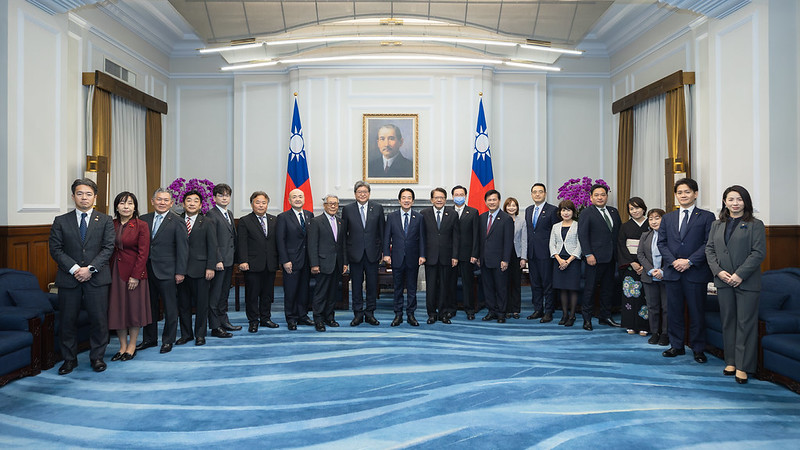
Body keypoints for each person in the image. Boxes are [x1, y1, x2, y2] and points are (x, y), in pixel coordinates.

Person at [49, 178, 115, 374]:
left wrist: (90, 269)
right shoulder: (61, 221)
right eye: (80, 193)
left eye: (88, 194)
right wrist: (75, 268)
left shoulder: (105, 220)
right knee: (67, 321)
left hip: (97, 278)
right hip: (69, 278)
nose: (84, 197)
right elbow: (55, 249)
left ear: (95, 197)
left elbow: (108, 248)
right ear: (73, 196)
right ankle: (69, 360)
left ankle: (97, 358)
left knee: (99, 320)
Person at [705, 185, 766, 384]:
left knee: (745, 323)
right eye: (731, 199)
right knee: (728, 320)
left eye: (739, 199)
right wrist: (718, 271)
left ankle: (743, 366)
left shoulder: (755, 224)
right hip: (723, 281)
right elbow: (709, 250)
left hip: (746, 282)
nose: (735, 203)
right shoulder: (717, 224)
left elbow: (758, 253)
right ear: (725, 202)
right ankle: (730, 361)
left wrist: (740, 274)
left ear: (745, 202)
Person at [658, 178, 715, 363]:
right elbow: (662, 243)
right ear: (676, 195)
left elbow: (708, 243)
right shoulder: (668, 218)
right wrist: (674, 262)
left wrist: (689, 261)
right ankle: (676, 345)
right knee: (674, 311)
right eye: (680, 192)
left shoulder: (707, 217)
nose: (683, 195)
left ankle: (698, 349)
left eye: (687, 192)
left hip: (695, 272)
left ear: (695, 194)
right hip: (673, 272)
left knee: (697, 312)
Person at [138, 188, 188, 354]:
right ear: (152, 201)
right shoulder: (143, 219)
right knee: (149, 307)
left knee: (170, 307)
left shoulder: (177, 221)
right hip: (147, 270)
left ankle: (168, 340)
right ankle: (149, 339)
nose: (162, 202)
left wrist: (180, 271)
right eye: (159, 199)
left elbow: (183, 249)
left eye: (166, 200)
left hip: (168, 271)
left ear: (171, 203)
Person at [108, 192, 151, 362]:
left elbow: (143, 253)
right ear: (116, 207)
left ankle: (132, 346)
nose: (126, 207)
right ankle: (122, 346)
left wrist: (136, 275)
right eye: (122, 203)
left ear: (135, 207)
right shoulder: (110, 224)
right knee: (117, 309)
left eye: (130, 203)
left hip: (134, 273)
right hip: (114, 272)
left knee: (133, 310)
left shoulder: (141, 225)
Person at [577, 183, 622, 331]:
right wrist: (588, 254)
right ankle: (587, 319)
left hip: (611, 258)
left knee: (608, 289)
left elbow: (618, 234)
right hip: (594, 259)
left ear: (607, 196)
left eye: (603, 194)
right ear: (591, 197)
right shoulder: (586, 213)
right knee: (590, 290)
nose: (600, 197)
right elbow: (583, 235)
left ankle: (605, 316)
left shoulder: (614, 212)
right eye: (596, 195)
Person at [177, 190, 217, 346]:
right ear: (183, 203)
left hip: (201, 269)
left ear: (200, 205)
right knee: (183, 305)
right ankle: (186, 334)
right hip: (180, 270)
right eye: (189, 200)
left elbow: (212, 246)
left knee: (202, 304)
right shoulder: (176, 220)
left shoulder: (207, 222)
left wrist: (210, 267)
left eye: (195, 201)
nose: (192, 203)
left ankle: (200, 334)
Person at [342, 181, 385, 326]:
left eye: (365, 192)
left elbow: (382, 232)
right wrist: (345, 257)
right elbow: (344, 235)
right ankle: (358, 314)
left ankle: (370, 313)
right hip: (355, 254)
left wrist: (383, 252)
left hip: (373, 253)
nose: (362, 194)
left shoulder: (377, 208)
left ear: (369, 193)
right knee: (356, 285)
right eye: (359, 192)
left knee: (372, 285)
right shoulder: (347, 209)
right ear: (355, 194)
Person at [236, 191, 280, 333]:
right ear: (252, 204)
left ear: (267, 204)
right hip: (252, 264)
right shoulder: (245, 221)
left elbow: (277, 242)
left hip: (270, 263)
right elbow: (241, 242)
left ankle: (265, 318)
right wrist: (243, 261)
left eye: (264, 203)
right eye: (258, 202)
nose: (261, 205)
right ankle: (253, 321)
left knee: (267, 294)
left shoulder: (274, 220)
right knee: (252, 295)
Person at [383, 188, 426, 327]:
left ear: (413, 201)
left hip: (413, 258)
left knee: (412, 288)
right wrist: (386, 254)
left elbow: (422, 238)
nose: (406, 200)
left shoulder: (419, 217)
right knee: (398, 288)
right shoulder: (392, 217)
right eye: (403, 197)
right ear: (399, 200)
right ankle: (398, 314)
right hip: (397, 258)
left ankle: (411, 314)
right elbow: (386, 237)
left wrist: (422, 255)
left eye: (409, 198)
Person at [276, 188, 315, 330]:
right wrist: (285, 260)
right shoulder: (283, 217)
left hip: (306, 260)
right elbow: (280, 240)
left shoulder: (309, 215)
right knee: (291, 291)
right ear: (289, 200)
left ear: (304, 199)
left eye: (300, 196)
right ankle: (291, 318)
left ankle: (303, 316)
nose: (298, 199)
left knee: (304, 290)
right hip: (291, 261)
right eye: (294, 197)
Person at [308, 195, 348, 332]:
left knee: (332, 293)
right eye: (330, 203)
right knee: (321, 293)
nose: (333, 206)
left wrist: (345, 262)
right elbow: (312, 244)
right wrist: (314, 264)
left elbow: (343, 244)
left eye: (335, 204)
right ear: (324, 205)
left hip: (337, 264)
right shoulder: (316, 221)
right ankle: (318, 319)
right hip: (322, 263)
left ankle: (329, 317)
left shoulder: (341, 222)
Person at [206, 183, 240, 338]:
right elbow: (212, 240)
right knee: (215, 295)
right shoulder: (211, 214)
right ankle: (215, 327)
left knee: (224, 294)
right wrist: (217, 259)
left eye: (227, 195)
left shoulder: (229, 213)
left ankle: (223, 321)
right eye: (221, 195)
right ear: (214, 198)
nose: (224, 198)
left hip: (229, 260)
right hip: (219, 262)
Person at [421, 187, 459, 324]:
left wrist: (455, 256)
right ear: (431, 200)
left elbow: (456, 237)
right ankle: (431, 314)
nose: (439, 200)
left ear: (445, 199)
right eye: (436, 197)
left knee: (445, 286)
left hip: (447, 257)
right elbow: (422, 237)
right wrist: (422, 255)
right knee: (431, 288)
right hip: (430, 256)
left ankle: (443, 313)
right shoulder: (424, 214)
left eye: (441, 197)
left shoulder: (453, 214)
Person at [525, 183, 559, 322]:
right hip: (532, 253)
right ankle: (538, 309)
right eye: (534, 192)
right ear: (531, 194)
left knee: (547, 283)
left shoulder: (553, 210)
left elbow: (556, 233)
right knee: (535, 283)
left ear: (545, 193)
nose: (537, 194)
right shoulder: (528, 210)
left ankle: (549, 311)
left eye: (540, 192)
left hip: (546, 253)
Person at [479, 189, 514, 323]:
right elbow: (480, 239)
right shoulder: (482, 217)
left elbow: (508, 241)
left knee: (501, 288)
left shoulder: (506, 219)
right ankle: (491, 311)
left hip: (500, 261)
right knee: (488, 287)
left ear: (499, 201)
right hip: (485, 259)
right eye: (489, 200)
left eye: (494, 199)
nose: (492, 202)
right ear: (485, 202)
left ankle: (501, 313)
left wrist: (505, 259)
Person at [618, 197, 650, 336]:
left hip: (648, 264)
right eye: (631, 209)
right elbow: (621, 246)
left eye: (637, 208)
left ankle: (645, 325)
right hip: (630, 265)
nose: (635, 211)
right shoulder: (625, 226)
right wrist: (632, 262)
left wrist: (644, 264)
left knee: (646, 296)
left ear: (643, 208)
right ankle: (630, 324)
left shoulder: (650, 224)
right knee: (629, 294)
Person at [638, 208, 670, 346]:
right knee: (652, 307)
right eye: (651, 219)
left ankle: (665, 333)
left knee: (666, 307)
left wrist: (662, 271)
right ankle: (655, 332)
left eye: (657, 218)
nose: (654, 221)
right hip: (649, 277)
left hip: (666, 277)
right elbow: (640, 255)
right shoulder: (645, 235)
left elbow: (673, 254)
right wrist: (651, 270)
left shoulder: (671, 236)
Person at [549, 200, 582, 327]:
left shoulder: (578, 225)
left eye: (568, 210)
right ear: (560, 212)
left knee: (572, 289)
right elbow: (552, 244)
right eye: (563, 210)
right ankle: (564, 315)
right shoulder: (555, 226)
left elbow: (580, 245)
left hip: (573, 261)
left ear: (573, 212)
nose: (566, 213)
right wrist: (559, 259)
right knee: (562, 288)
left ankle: (572, 315)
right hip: (558, 260)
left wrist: (568, 261)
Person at [451, 185, 480, 320]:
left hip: (467, 255)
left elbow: (476, 235)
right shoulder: (448, 211)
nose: (459, 197)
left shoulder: (473, 212)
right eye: (456, 195)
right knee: (450, 283)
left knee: (467, 283)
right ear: (452, 197)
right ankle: (451, 309)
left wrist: (475, 254)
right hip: (450, 255)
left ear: (466, 196)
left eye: (461, 194)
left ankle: (470, 309)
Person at [503, 197, 527, 319]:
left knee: (516, 283)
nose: (511, 208)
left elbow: (524, 240)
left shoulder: (521, 221)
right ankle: (507, 309)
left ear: (517, 208)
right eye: (509, 205)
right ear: (505, 207)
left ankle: (516, 309)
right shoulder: (502, 220)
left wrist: (523, 258)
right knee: (505, 283)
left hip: (517, 254)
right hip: (504, 255)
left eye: (514, 205)